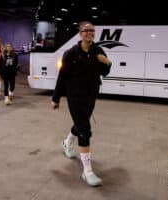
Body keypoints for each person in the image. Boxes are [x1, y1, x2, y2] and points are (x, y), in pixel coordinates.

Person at [51, 22, 112, 187]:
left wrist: (107, 62)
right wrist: (56, 98)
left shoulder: (98, 51)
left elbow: (105, 72)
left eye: (92, 30)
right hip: (75, 96)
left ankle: (66, 142)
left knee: (80, 124)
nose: (89, 33)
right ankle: (88, 171)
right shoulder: (71, 53)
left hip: (91, 95)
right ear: (80, 33)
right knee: (85, 129)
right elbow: (62, 76)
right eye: (86, 31)